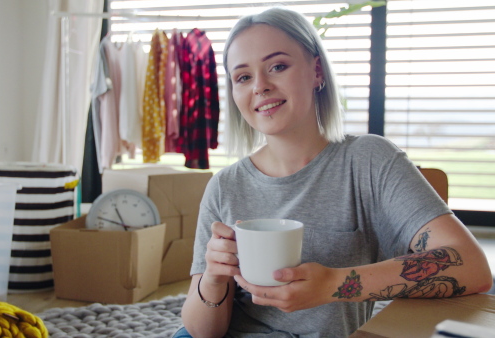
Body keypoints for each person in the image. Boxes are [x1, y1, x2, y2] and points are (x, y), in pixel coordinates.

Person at [175, 6, 493, 338]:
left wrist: (333, 284)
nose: (260, 86)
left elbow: (472, 267)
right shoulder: (225, 186)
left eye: (278, 66)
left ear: (316, 72)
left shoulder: (369, 161)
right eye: (243, 77)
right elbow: (200, 332)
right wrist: (213, 278)